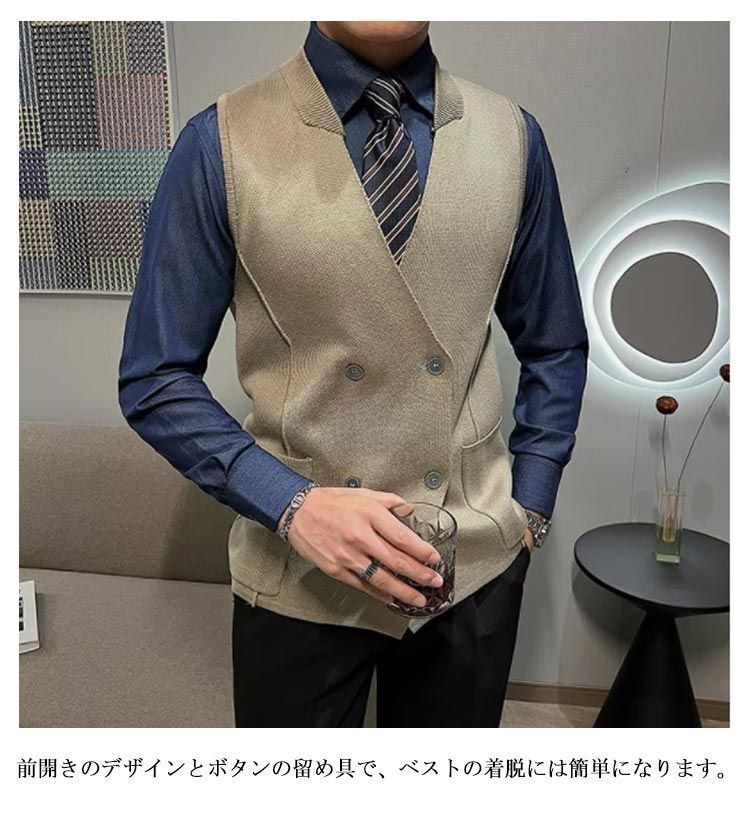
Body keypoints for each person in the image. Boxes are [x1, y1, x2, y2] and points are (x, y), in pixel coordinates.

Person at [118, 20, 589, 727]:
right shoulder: (220, 142)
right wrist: (291, 505)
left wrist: (531, 507)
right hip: (298, 573)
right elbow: (155, 378)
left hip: (473, 563)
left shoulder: (514, 138)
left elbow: (555, 343)